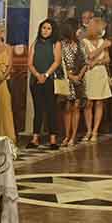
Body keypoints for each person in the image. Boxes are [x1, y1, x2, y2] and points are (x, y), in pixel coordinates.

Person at [27, 19, 62, 150]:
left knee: (51, 109)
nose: (45, 30)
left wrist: (46, 75)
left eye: (48, 28)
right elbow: (30, 63)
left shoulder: (56, 44)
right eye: (43, 28)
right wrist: (38, 75)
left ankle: (53, 139)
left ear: (53, 31)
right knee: (38, 109)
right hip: (35, 80)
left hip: (50, 80)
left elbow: (57, 61)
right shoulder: (35, 43)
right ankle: (35, 138)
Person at [80, 17, 112, 142]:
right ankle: (88, 130)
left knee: (99, 103)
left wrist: (97, 62)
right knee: (88, 103)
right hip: (89, 74)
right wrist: (102, 46)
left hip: (100, 73)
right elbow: (90, 56)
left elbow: (107, 59)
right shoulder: (84, 41)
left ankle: (95, 131)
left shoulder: (103, 41)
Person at [58, 18, 85, 146]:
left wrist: (79, 76)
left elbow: (85, 62)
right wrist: (70, 76)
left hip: (79, 80)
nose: (80, 30)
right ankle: (66, 135)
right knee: (67, 107)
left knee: (76, 107)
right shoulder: (62, 44)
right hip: (66, 79)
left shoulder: (81, 44)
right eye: (77, 28)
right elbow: (60, 62)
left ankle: (73, 136)